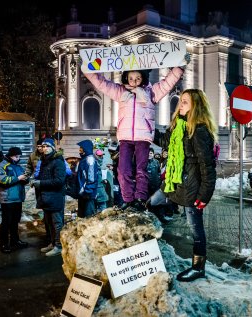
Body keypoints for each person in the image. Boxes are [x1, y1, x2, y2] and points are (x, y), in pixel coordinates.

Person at [82, 57, 188, 212]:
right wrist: (87, 69)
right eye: (131, 78)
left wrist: (179, 67)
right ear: (126, 77)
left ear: (143, 78)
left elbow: (167, 83)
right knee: (123, 170)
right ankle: (127, 198)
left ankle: (139, 198)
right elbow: (102, 83)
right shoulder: (120, 92)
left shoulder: (151, 92)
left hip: (143, 137)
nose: (134, 81)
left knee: (141, 170)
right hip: (125, 137)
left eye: (138, 78)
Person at [150, 88, 217, 282]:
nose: (181, 104)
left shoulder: (199, 130)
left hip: (191, 187)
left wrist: (204, 195)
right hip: (174, 182)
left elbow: (207, 166)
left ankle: (198, 267)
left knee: (196, 229)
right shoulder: (178, 126)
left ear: (196, 106)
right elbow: (165, 142)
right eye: (181, 101)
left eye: (186, 102)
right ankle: (152, 247)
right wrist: (144, 126)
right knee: (151, 203)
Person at [31, 138, 66, 256]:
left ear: (53, 148)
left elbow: (59, 181)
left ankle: (59, 246)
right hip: (45, 197)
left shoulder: (58, 161)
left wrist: (40, 183)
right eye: (43, 146)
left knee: (57, 223)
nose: (45, 148)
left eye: (47, 146)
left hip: (55, 197)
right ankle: (52, 243)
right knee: (49, 223)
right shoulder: (44, 160)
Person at [0, 147, 28, 254]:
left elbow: (24, 178)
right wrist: (18, 178)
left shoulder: (18, 166)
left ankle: (15, 241)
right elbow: (2, 180)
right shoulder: (1, 166)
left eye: (19, 156)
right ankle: (4, 243)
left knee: (15, 221)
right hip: (7, 199)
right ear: (10, 155)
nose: (17, 158)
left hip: (17, 198)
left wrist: (25, 179)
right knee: (6, 222)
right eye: (16, 156)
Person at [75, 140, 98, 218]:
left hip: (88, 195)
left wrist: (87, 191)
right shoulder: (85, 159)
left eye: (81, 147)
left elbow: (91, 177)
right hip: (84, 194)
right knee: (83, 219)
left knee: (88, 219)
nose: (79, 149)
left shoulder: (90, 159)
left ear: (86, 148)